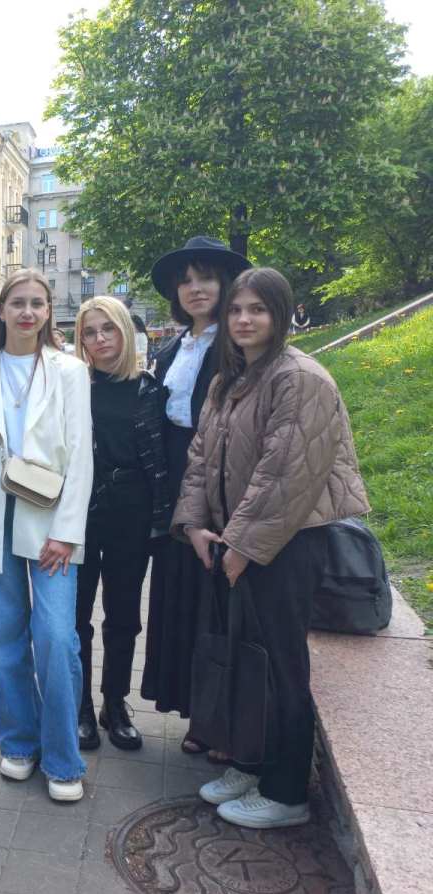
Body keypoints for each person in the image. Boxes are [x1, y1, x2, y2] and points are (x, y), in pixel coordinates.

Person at [174, 267, 368, 828]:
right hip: (234, 541)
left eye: (257, 309)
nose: (243, 319)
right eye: (236, 309)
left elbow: (286, 474)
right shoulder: (230, 380)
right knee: (244, 660)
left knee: (281, 664)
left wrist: (242, 546)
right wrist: (194, 525)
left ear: (280, 315)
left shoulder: (299, 378)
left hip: (286, 545)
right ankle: (251, 762)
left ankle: (286, 793)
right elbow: (200, 459)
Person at [0, 269, 93, 802]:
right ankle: (19, 741)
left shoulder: (70, 371)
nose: (27, 312)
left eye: (37, 303)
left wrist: (67, 533)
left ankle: (63, 758)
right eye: (17, 303)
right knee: (2, 638)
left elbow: (80, 454)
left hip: (50, 519)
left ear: (48, 311)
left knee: (56, 637)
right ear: (0, 310)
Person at [140, 236, 250, 756]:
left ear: (225, 284)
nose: (195, 288)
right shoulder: (171, 350)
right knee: (180, 601)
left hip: (223, 488)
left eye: (205, 278)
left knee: (219, 607)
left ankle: (224, 722)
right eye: (185, 281)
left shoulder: (239, 347)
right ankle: (194, 713)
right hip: (174, 490)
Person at [72, 297, 169, 753]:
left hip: (132, 509)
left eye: (107, 328)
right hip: (80, 512)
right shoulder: (74, 386)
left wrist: (162, 518)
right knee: (76, 616)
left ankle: (115, 703)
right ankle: (80, 706)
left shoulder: (148, 389)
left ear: (125, 332)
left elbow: (161, 461)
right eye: (90, 332)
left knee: (124, 614)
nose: (99, 339)